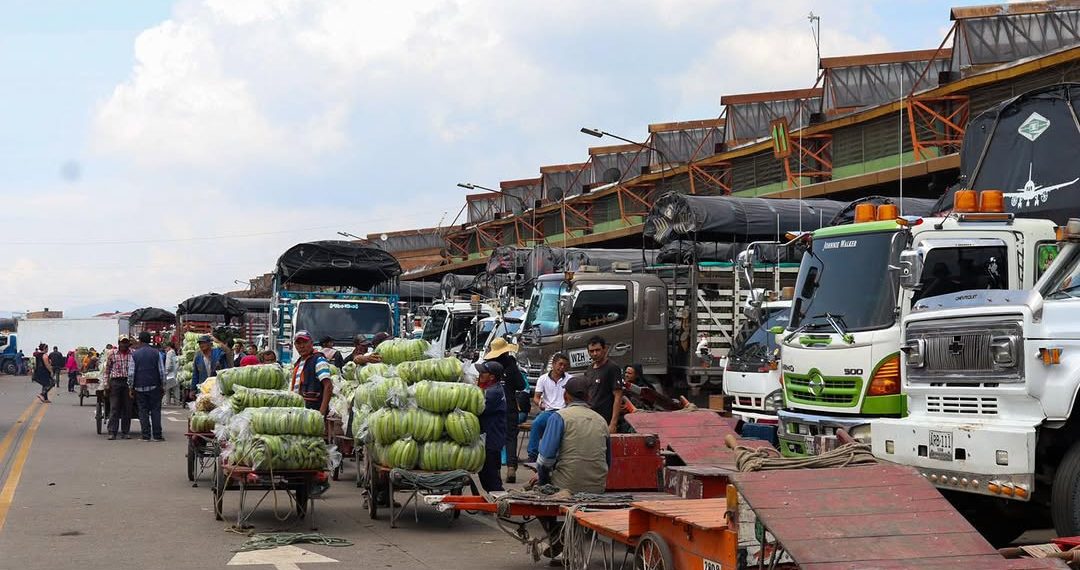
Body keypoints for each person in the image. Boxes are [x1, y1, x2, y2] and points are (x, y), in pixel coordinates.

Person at [532, 375, 611, 562]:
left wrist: (544, 481)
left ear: (566, 396)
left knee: (535, 495)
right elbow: (609, 462)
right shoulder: (601, 421)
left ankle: (556, 537)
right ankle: (563, 540)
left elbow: (544, 460)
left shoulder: (559, 417)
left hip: (567, 486)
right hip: (597, 487)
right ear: (588, 397)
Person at [483, 337, 526, 483]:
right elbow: (521, 385)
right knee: (510, 437)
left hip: (493, 405)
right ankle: (511, 468)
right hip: (509, 405)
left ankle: (495, 471)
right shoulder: (511, 365)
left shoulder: (488, 366)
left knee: (494, 437)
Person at [527, 353, 572, 462]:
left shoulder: (570, 379)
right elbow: (536, 397)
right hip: (549, 410)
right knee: (537, 423)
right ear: (553, 364)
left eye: (564, 366)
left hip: (565, 411)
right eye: (560, 364)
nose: (562, 368)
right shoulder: (543, 379)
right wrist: (540, 404)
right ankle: (532, 454)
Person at [475, 361, 507, 493]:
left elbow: (476, 408)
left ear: (492, 377)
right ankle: (495, 500)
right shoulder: (493, 389)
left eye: (483, 373)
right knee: (486, 474)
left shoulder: (493, 393)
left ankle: (501, 503)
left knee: (490, 476)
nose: (480, 374)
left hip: (491, 439)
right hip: (492, 437)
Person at [585, 336, 623, 434]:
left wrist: (613, 423)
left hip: (605, 419)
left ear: (604, 349)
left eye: (598, 350)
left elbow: (618, 396)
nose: (595, 353)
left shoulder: (612, 368)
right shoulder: (589, 368)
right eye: (591, 351)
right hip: (590, 417)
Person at [289, 331, 333, 415]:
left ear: (311, 343)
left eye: (305, 342)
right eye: (298, 343)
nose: (302, 346)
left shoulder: (319, 360)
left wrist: (322, 412)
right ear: (295, 345)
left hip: (313, 412)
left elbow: (328, 386)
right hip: (301, 411)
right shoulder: (299, 362)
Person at [132, 332, 166, 441]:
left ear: (140, 341)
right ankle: (157, 435)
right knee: (155, 410)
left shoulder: (135, 354)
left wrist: (130, 387)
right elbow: (162, 371)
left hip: (139, 386)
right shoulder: (156, 353)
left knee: (143, 411)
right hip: (154, 386)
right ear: (149, 340)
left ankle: (145, 435)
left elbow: (131, 373)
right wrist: (163, 385)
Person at [103, 337, 135, 439]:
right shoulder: (112, 354)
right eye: (122, 342)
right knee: (114, 407)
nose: (124, 345)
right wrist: (106, 384)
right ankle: (112, 432)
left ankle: (125, 432)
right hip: (116, 382)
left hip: (128, 383)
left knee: (127, 408)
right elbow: (107, 370)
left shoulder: (133, 354)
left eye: (126, 343)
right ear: (119, 343)